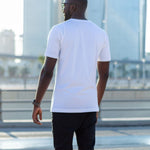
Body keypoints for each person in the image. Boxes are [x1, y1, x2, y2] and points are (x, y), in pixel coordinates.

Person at [32, 0, 111, 149]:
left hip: (63, 107)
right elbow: (104, 75)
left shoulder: (58, 30)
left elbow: (47, 72)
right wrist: (95, 105)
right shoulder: (101, 34)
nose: (63, 9)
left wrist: (37, 103)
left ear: (73, 6)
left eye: (64, 5)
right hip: (88, 107)